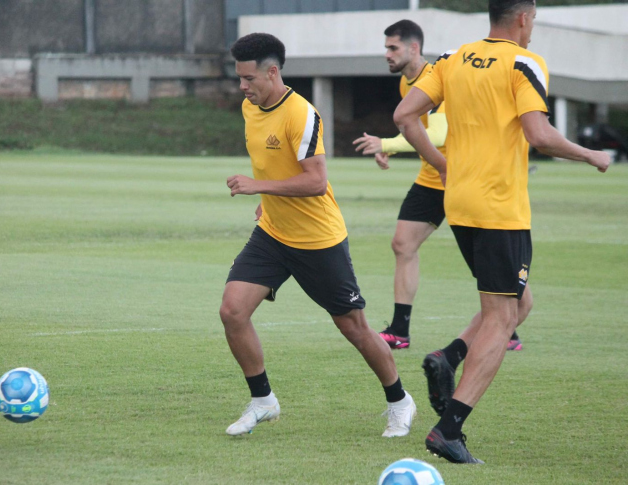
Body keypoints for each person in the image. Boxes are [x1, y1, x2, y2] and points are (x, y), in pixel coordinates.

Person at [393, 0, 611, 463]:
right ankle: (447, 430)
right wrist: (593, 155)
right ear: (524, 17)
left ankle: (448, 357)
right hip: (498, 209)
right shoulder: (524, 62)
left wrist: (441, 166)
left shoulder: (452, 58)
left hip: (460, 204)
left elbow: (405, 116)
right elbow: (540, 135)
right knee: (501, 317)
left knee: (518, 302)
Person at [221, 32, 416, 438]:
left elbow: (315, 181)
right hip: (273, 234)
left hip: (318, 240)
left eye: (248, 79)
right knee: (233, 311)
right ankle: (263, 401)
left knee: (354, 327)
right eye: (239, 78)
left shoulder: (302, 115)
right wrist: (268, 199)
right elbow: (273, 163)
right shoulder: (249, 107)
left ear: (272, 72)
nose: (242, 87)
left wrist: (259, 187)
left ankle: (399, 401)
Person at [353, 19, 523, 352]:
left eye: (393, 48)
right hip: (433, 178)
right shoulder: (408, 83)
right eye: (386, 48)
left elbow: (440, 134)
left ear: (414, 48)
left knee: (488, 265)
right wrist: (395, 149)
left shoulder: (441, 76)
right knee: (402, 244)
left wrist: (387, 145)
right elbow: (417, 131)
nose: (386, 54)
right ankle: (400, 330)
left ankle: (510, 326)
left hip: (463, 179)